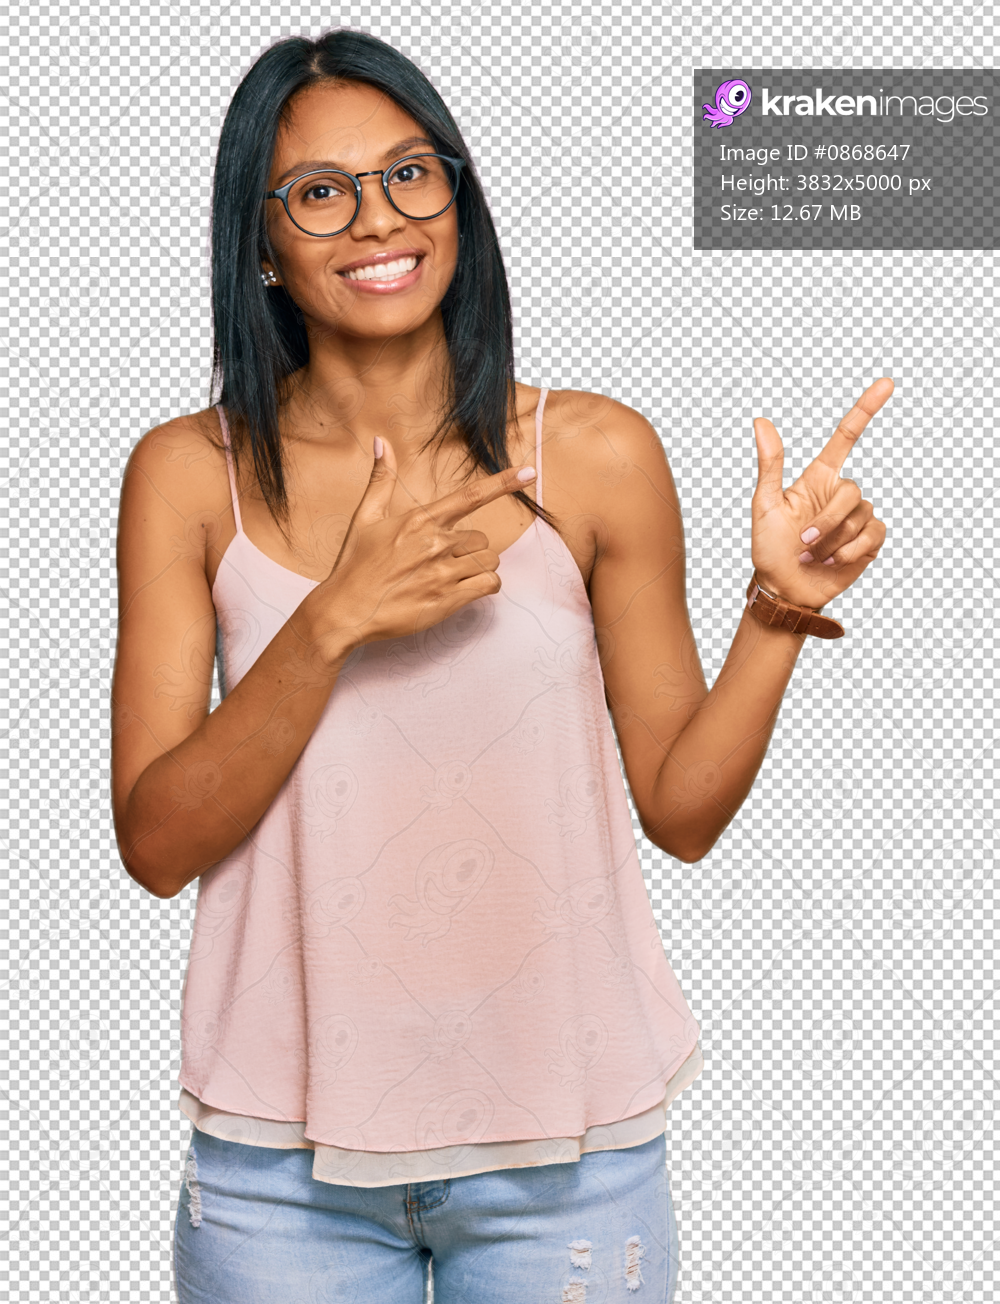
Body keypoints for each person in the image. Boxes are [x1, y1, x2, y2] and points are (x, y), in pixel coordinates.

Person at [110, 29, 891, 1304]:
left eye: (413, 173)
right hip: (277, 1173)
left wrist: (776, 615)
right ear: (261, 243)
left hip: (567, 1159)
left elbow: (681, 812)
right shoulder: (188, 474)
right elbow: (154, 842)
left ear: (457, 198)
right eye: (321, 191)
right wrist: (329, 620)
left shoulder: (592, 452)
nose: (379, 219)